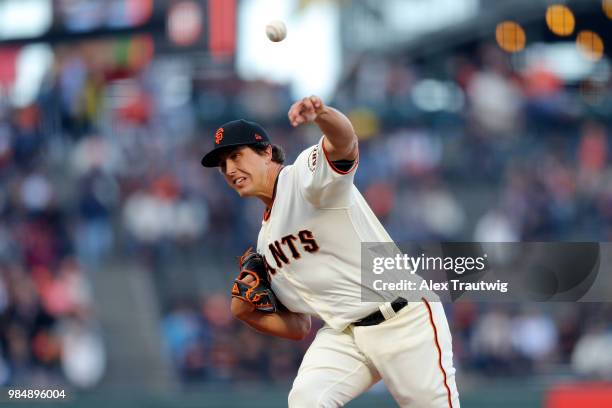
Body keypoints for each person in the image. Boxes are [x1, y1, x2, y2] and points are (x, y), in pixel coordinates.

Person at [201, 96, 460, 407]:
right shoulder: (265, 244)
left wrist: (322, 115)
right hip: (344, 335)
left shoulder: (303, 179)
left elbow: (345, 142)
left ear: (266, 152)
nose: (230, 169)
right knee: (306, 399)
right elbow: (299, 326)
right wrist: (246, 314)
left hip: (402, 318)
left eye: (236, 156)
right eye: (223, 164)